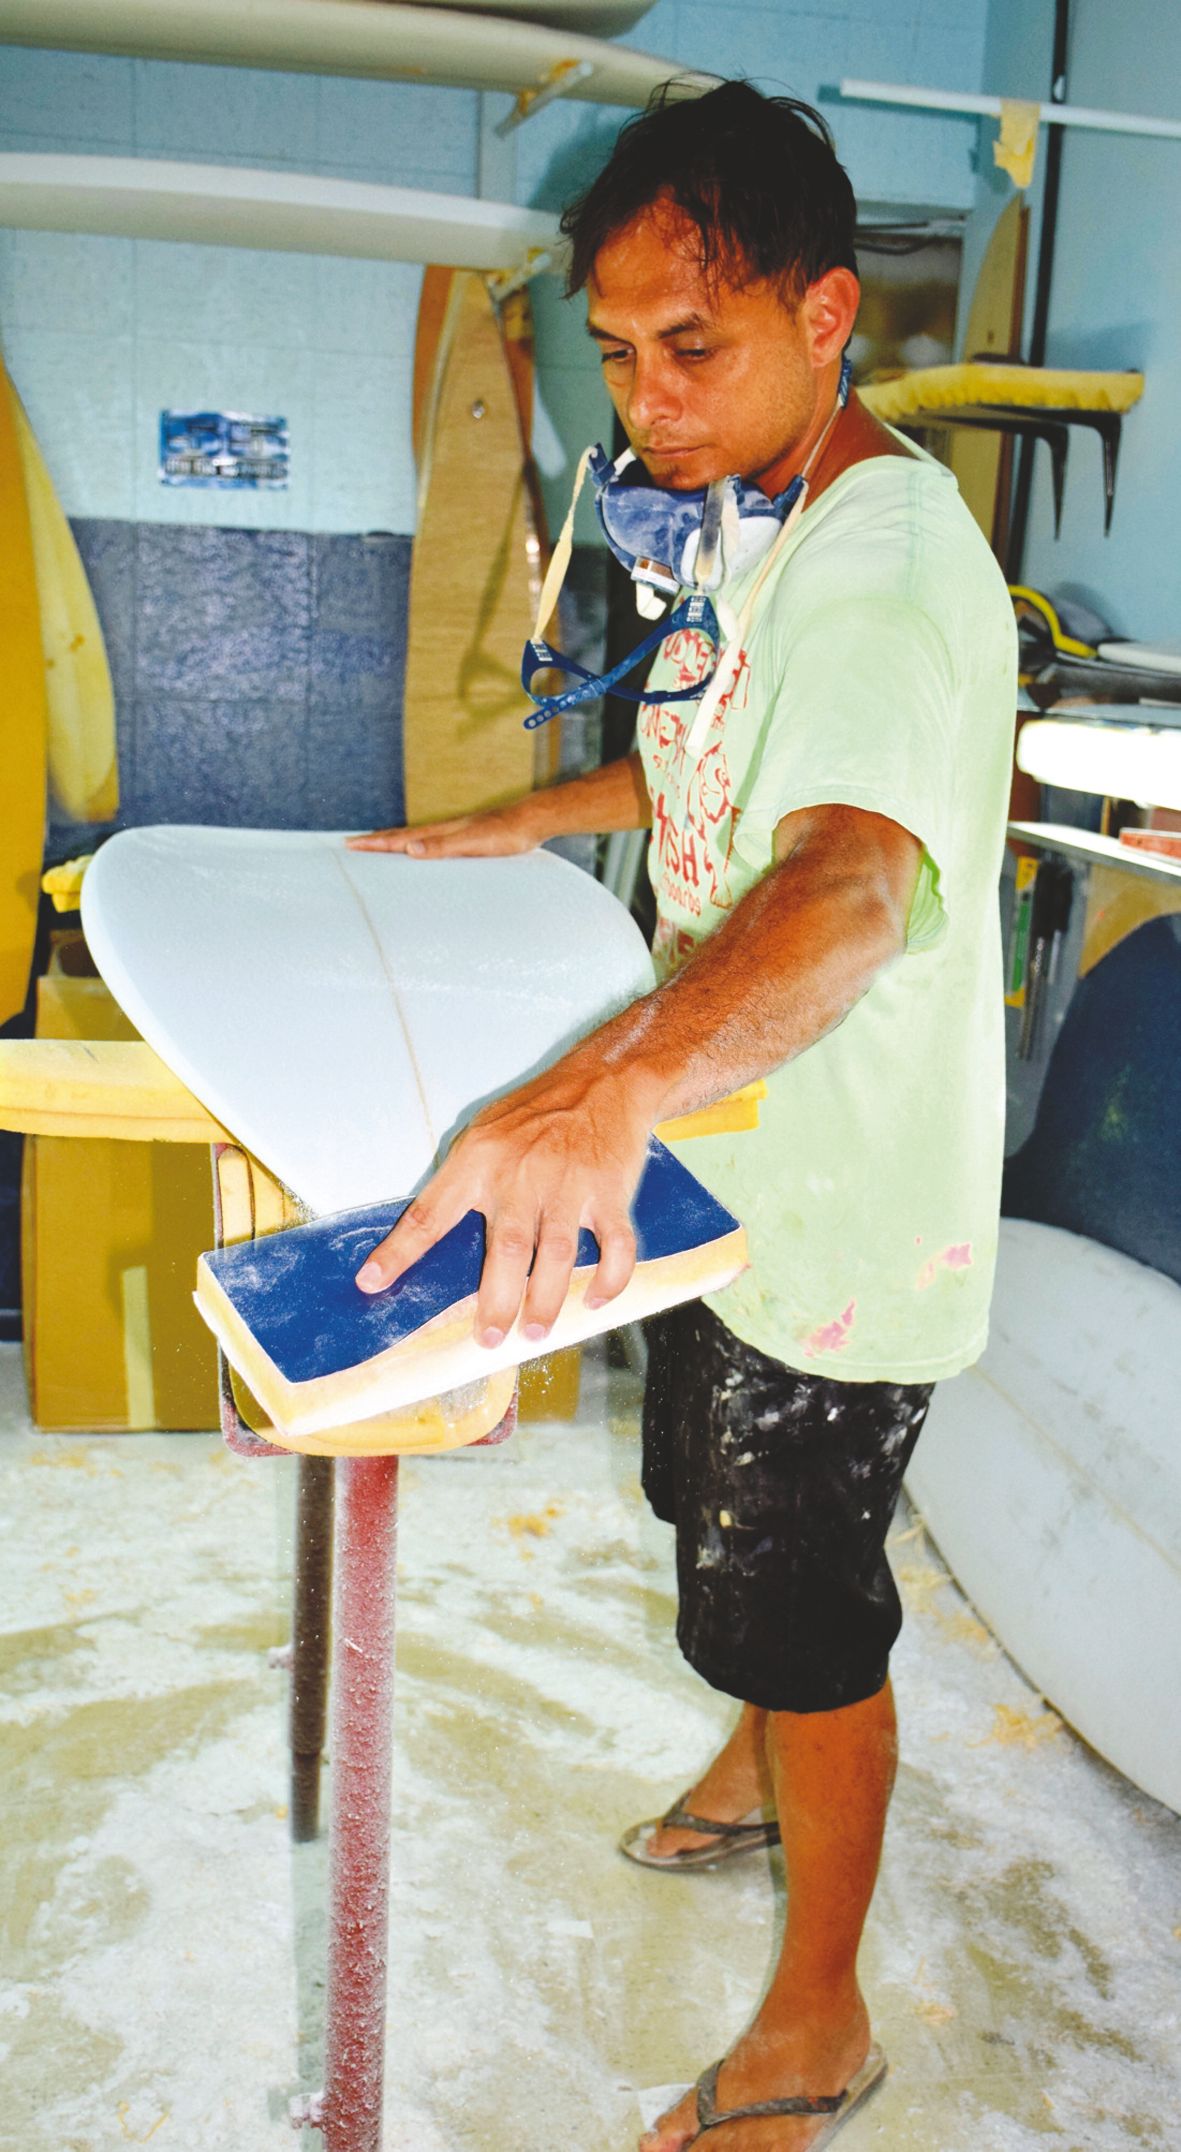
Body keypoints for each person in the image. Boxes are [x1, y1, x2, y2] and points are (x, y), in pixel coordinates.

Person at [349, 80, 1016, 2152]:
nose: (645, 401)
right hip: (725, 1171)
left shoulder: (889, 562)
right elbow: (701, 770)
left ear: (831, 316)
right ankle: (750, 1755)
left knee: (807, 1615)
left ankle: (820, 2015)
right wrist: (509, 819)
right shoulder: (750, 519)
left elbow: (842, 879)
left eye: (691, 348)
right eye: (618, 354)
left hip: (843, 1214)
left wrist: (599, 1087)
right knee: (705, 1530)